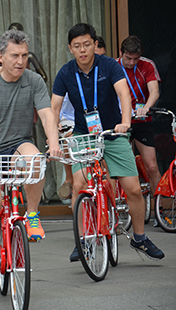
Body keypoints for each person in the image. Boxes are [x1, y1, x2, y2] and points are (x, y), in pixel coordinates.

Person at [51, 23, 164, 262]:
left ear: (94, 44)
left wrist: (125, 124)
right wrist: (56, 135)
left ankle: (140, 238)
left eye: (87, 44)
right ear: (70, 48)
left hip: (113, 132)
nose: (82, 50)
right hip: (84, 134)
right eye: (77, 46)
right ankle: (83, 240)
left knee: (133, 188)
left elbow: (124, 94)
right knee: (79, 184)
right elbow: (54, 107)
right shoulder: (65, 72)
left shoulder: (110, 65)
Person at [0, 30, 62, 292]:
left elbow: (48, 115)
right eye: (15, 56)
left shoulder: (34, 81)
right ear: (0, 56)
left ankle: (32, 214)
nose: (21, 61)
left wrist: (53, 141)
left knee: (36, 160)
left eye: (25, 56)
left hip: (18, 144)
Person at [58, 36, 107, 200]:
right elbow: (58, 105)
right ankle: (69, 178)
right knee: (68, 139)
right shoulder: (69, 74)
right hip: (72, 120)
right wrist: (57, 123)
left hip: (100, 121)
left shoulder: (107, 72)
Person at [116, 35, 161, 197]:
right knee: (118, 168)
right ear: (121, 53)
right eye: (128, 58)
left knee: (152, 166)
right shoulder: (113, 66)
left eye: (135, 59)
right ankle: (118, 207)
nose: (131, 63)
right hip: (120, 120)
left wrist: (147, 107)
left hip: (141, 119)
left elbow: (154, 91)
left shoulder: (147, 65)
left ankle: (159, 208)